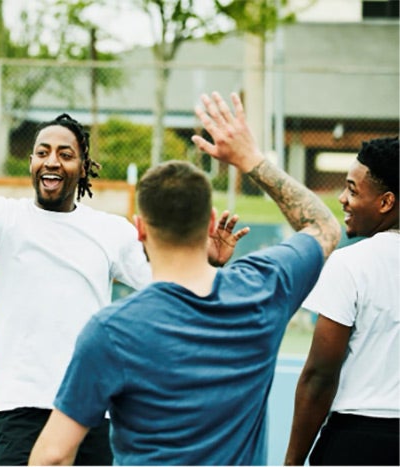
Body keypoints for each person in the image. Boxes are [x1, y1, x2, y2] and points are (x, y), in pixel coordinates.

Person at [0, 57, 249, 466]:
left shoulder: (111, 232)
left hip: (92, 410)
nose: (51, 161)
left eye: (65, 154)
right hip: (20, 411)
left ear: (83, 168)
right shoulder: (2, 220)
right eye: (42, 152)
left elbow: (171, 286)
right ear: (30, 163)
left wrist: (206, 260)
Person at [28, 91, 342, 466]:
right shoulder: (261, 291)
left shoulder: (110, 331)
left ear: (140, 230)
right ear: (211, 223)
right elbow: (323, 225)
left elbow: (52, 457)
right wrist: (250, 159)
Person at [284, 136, 399, 466]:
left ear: (386, 202)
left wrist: (292, 462)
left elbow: (320, 375)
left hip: (358, 440)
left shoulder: (352, 264)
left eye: (352, 189)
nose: (342, 199)